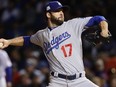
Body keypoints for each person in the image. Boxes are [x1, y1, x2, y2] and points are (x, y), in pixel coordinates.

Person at [0, 1, 110, 87]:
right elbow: (26, 40)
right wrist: (9, 41)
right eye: (57, 11)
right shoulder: (41, 35)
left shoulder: (73, 24)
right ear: (48, 14)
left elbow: (99, 18)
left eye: (62, 10)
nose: (61, 13)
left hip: (80, 80)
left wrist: (104, 30)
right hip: (58, 82)